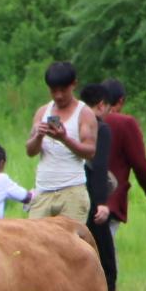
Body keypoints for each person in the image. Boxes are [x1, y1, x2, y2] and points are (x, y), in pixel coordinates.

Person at [23, 61, 96, 219]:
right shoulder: (42, 112)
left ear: (74, 85)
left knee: (69, 243)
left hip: (72, 191)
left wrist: (64, 139)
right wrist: (39, 136)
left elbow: (90, 151)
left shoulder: (84, 114)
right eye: (53, 91)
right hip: (43, 191)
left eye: (63, 90)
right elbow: (30, 151)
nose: (58, 96)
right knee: (35, 242)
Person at [97, 78, 146, 231]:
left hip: (81, 198)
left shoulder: (84, 119)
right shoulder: (125, 123)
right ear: (121, 101)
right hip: (110, 201)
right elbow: (140, 165)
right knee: (105, 253)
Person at [80, 82, 119, 291]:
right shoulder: (100, 128)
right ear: (102, 105)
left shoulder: (71, 125)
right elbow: (99, 165)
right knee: (106, 264)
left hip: (69, 194)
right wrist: (102, 202)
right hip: (92, 202)